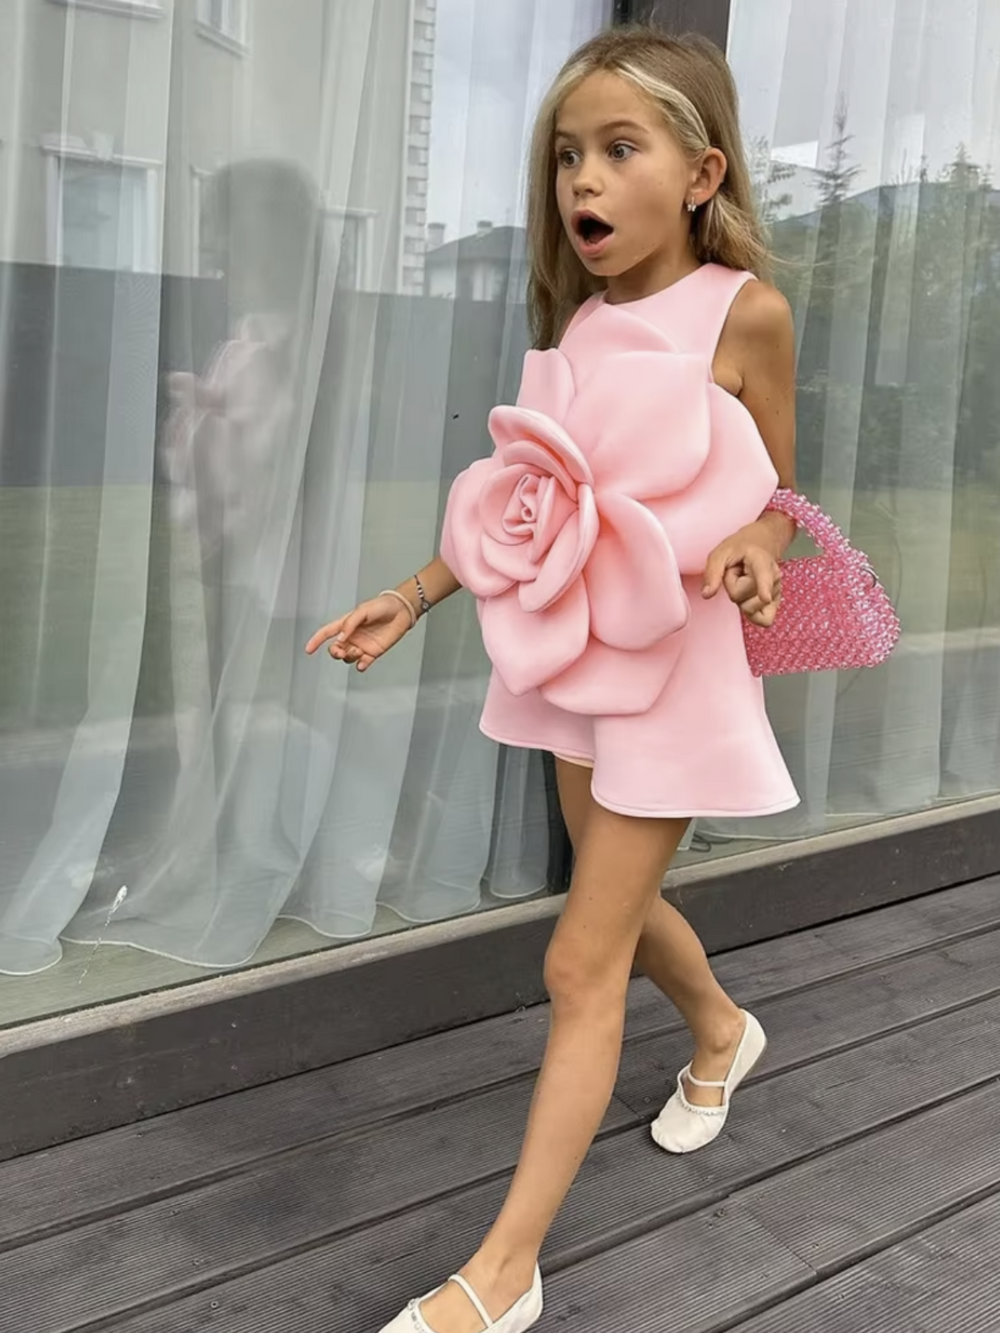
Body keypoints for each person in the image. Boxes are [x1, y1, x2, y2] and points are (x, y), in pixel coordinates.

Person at [307, 26, 800, 1333]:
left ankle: (504, 1274)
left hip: (676, 671)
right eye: (569, 154)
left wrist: (760, 543)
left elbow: (782, 490)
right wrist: (416, 592)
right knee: (612, 898)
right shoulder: (582, 321)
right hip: (578, 657)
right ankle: (722, 1028)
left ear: (701, 175)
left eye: (619, 149)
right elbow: (539, 499)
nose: (583, 177)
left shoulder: (743, 312)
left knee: (581, 960)